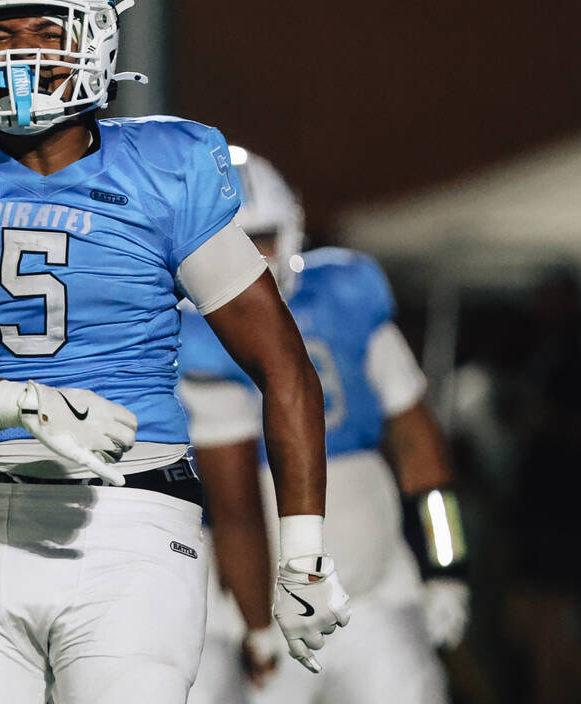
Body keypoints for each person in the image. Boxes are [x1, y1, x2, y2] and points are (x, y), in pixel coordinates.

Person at [0, 0, 348, 704]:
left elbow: (282, 363)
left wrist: (305, 554)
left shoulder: (164, 169)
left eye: (44, 29)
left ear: (94, 37)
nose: (17, 53)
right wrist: (22, 401)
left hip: (131, 522)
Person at [179, 152, 470, 704]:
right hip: (255, 610)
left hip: (377, 594)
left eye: (259, 237)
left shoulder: (347, 296)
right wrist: (252, 626)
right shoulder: (186, 338)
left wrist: (448, 567)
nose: (250, 261)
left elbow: (419, 449)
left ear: (291, 227)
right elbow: (233, 504)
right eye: (230, 242)